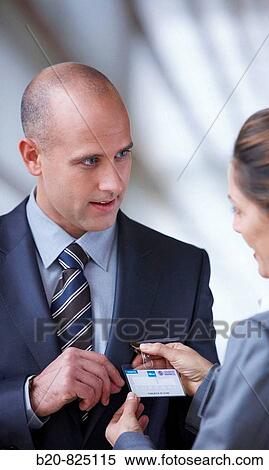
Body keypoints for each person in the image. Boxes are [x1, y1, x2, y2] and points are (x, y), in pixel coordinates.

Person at [0, 62, 218, 450]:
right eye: (90, 160)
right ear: (32, 156)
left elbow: (204, 438)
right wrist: (27, 399)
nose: (114, 183)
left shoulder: (184, 267)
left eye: (122, 154)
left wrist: (206, 393)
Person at [106, 104, 269, 450]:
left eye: (238, 209)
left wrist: (129, 444)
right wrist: (210, 381)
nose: (235, 225)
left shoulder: (266, 340)